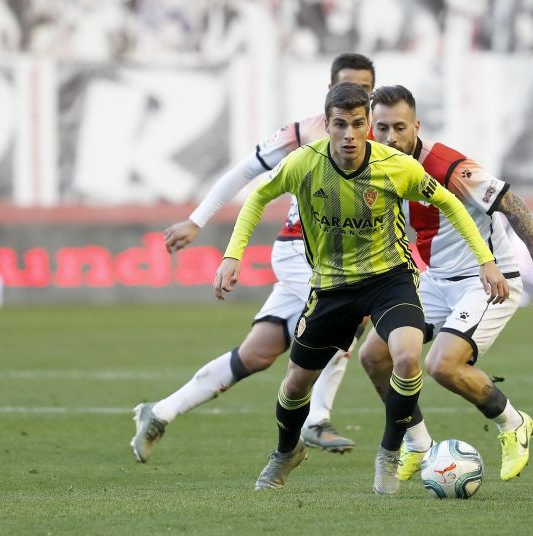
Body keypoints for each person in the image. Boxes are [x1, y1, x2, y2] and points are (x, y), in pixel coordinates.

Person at [213, 82, 509, 495]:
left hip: (390, 280)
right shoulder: (304, 163)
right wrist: (233, 254)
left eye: (357, 124)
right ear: (328, 125)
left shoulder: (396, 166)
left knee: (406, 357)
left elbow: (449, 203)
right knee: (296, 384)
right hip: (332, 288)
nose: (349, 135)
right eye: (340, 125)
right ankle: (285, 452)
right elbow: (258, 197)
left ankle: (389, 453)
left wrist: (486, 260)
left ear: (368, 123)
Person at [130, 53, 376, 463]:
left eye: (365, 89)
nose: (357, 95)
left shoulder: (377, 139)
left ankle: (160, 411)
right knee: (346, 313)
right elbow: (246, 173)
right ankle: (316, 420)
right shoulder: (302, 133)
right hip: (301, 250)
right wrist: (196, 220)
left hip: (340, 255)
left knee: (256, 354)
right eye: (347, 87)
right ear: (328, 92)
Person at [358, 85, 533, 482]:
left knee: (441, 365)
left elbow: (512, 203)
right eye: (382, 128)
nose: (390, 138)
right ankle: (418, 442)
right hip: (435, 282)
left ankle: (513, 423)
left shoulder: (449, 166)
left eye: (399, 128)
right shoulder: (374, 164)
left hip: (488, 280)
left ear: (416, 125)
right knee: (374, 356)